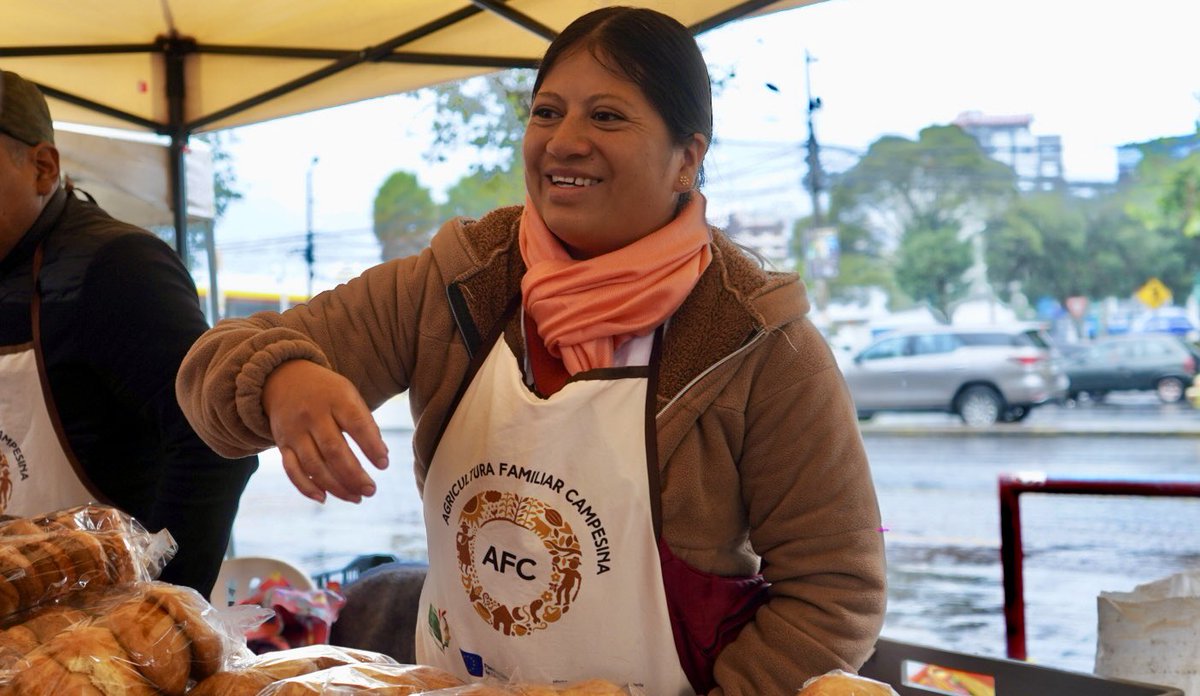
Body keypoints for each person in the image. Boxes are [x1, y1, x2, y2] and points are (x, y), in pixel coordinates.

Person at [176, 7, 885, 694]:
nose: (563, 141)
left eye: (606, 116)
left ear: (686, 161)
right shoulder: (461, 284)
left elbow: (836, 588)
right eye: (547, 112)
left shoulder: (757, 341)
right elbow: (211, 373)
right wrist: (282, 379)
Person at [0, 69, 257, 597]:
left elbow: (213, 445)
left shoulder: (117, 267)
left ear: (42, 167)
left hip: (103, 629)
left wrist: (157, 611)